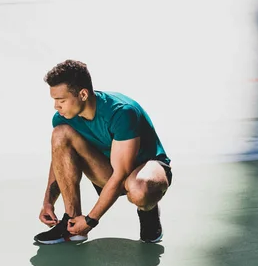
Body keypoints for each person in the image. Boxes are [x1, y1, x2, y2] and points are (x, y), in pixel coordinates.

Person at [34, 60, 172, 245]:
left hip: (145, 171)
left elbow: (121, 173)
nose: (56, 106)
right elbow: (59, 159)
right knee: (60, 134)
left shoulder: (121, 112)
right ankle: (72, 224)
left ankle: (148, 209)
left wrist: (90, 221)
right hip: (107, 170)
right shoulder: (63, 119)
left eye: (61, 100)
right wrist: (48, 202)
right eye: (54, 100)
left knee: (139, 190)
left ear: (83, 94)